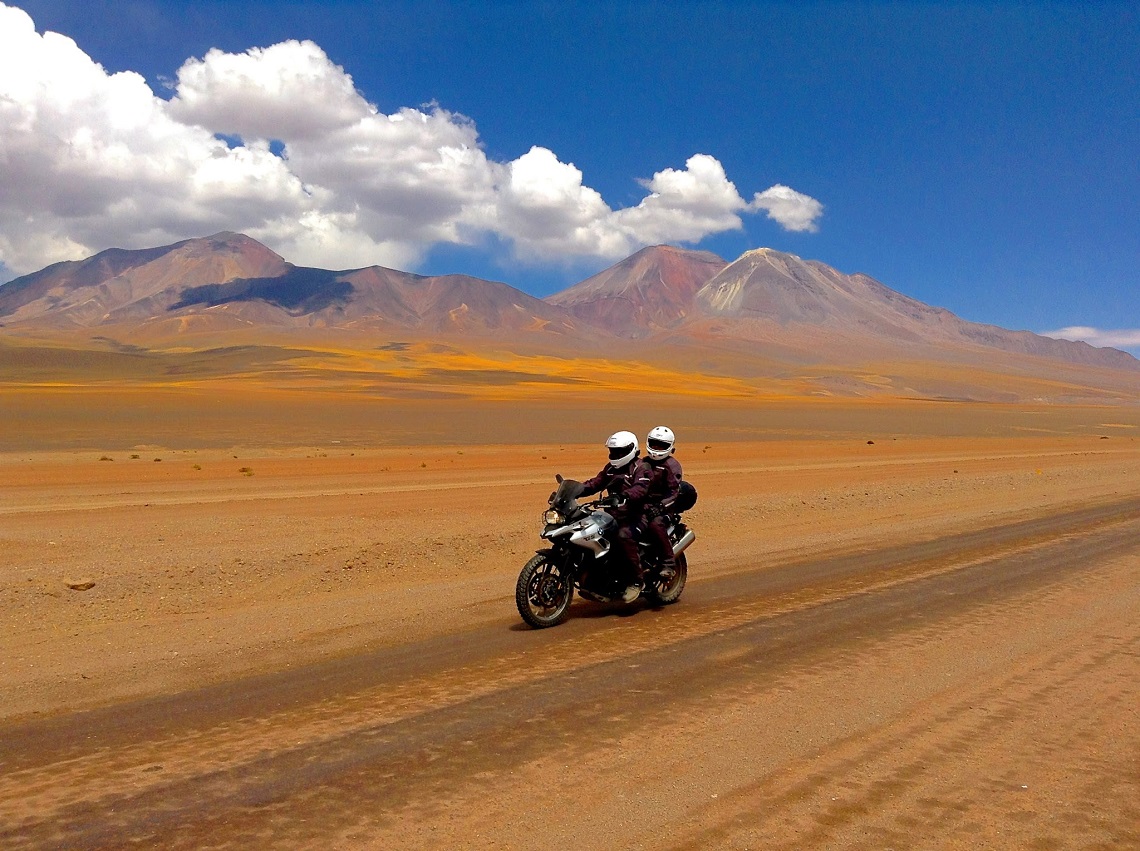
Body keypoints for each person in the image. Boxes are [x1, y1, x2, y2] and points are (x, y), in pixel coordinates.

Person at [580, 430, 653, 602]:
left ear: (631, 449)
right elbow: (596, 483)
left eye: (620, 451)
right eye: (613, 451)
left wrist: (624, 496)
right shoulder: (611, 469)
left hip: (637, 516)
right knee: (590, 534)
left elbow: (640, 489)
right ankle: (597, 581)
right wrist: (576, 490)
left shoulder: (641, 468)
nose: (615, 455)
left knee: (624, 536)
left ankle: (636, 581)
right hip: (614, 517)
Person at [642, 425, 682, 580]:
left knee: (655, 524)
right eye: (654, 444)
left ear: (670, 447)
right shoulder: (643, 462)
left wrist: (660, 507)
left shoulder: (671, 466)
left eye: (661, 445)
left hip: (664, 509)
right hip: (643, 506)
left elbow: (674, 492)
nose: (656, 448)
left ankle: (668, 563)